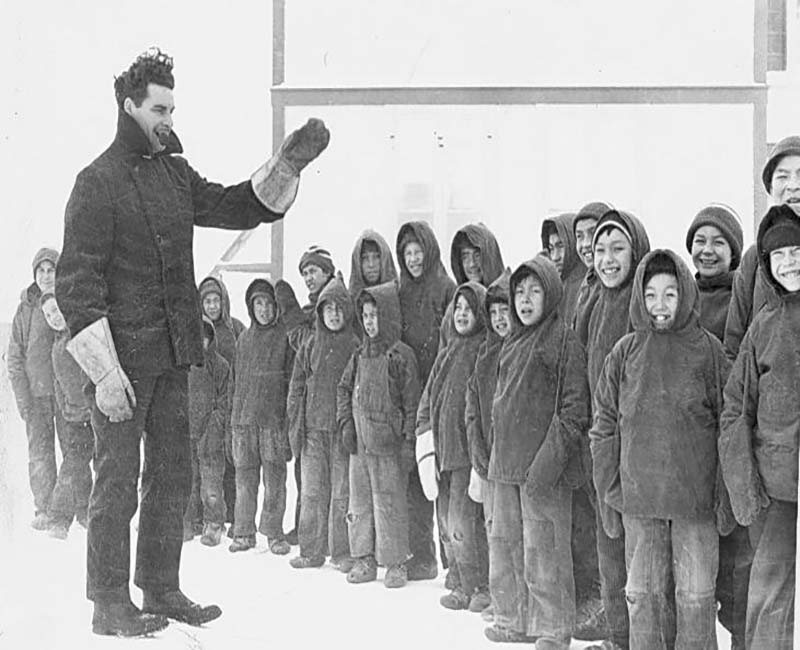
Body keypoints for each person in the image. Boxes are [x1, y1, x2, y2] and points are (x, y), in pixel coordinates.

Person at [56, 47, 328, 636]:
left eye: (173, 109)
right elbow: (76, 287)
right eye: (159, 109)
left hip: (176, 357)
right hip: (122, 369)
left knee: (172, 476)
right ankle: (108, 602)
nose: (169, 120)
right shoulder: (95, 182)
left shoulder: (175, 175)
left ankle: (159, 586)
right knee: (117, 482)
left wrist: (286, 167)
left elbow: (234, 205)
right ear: (129, 106)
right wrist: (104, 374)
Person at [591, 250, 729, 649]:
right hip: (640, 503)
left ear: (685, 294)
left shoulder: (709, 352)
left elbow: (729, 425)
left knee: (696, 598)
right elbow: (602, 427)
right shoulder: (625, 353)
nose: (660, 305)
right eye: (651, 295)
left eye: (670, 294)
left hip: (695, 505)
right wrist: (612, 491)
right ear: (640, 298)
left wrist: (722, 497)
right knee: (644, 597)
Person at [484, 256, 589, 647]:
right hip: (505, 466)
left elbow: (574, 409)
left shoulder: (563, 339)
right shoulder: (512, 341)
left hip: (543, 470)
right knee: (505, 547)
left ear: (552, 293)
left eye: (535, 291)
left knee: (545, 551)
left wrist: (548, 462)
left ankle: (552, 627)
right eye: (520, 292)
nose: (526, 300)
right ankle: (512, 618)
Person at [720, 203, 800, 649]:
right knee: (771, 597)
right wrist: (746, 485)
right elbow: (735, 411)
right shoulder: (762, 328)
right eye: (779, 256)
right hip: (777, 494)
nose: (789, 263)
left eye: (797, 251)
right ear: (767, 266)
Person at [582, 209, 651, 650]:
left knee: (637, 552)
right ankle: (618, 636)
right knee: (608, 542)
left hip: (634, 451)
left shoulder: (640, 306)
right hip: (599, 444)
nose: (607, 259)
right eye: (601, 250)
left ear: (636, 252)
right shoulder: (593, 301)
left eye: (618, 249)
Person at [337, 280, 420, 588]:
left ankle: (395, 562)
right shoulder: (358, 356)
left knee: (390, 505)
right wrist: (346, 424)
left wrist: (409, 443)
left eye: (376, 315)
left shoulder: (400, 356)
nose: (371, 322)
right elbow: (343, 389)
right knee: (359, 505)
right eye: (366, 316)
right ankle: (363, 557)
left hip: (388, 447)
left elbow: (413, 403)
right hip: (360, 446)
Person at [417, 282, 490, 612]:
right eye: (458, 308)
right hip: (442, 454)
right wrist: (424, 434)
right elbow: (428, 398)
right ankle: (458, 578)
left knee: (464, 524)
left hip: (465, 454)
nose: (462, 314)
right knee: (446, 523)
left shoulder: (482, 351)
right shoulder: (447, 351)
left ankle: (477, 583)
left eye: (470, 309)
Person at [395, 221, 456, 580]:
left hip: (438, 392)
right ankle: (423, 555)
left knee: (446, 480)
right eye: (408, 253)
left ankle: (455, 562)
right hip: (410, 393)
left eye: (419, 251)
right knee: (417, 481)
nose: (414, 258)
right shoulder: (401, 290)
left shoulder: (445, 288)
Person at [286, 273, 359, 570]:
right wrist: (296, 426)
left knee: (342, 493)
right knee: (312, 492)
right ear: (320, 312)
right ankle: (311, 550)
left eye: (339, 308)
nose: (334, 314)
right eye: (328, 309)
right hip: (313, 431)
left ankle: (341, 552)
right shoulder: (310, 344)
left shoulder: (355, 345)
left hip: (342, 432)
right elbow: (296, 386)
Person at [569, 201, 613, 643]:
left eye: (593, 238)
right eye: (580, 238)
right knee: (598, 523)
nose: (585, 247)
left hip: (610, 429)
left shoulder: (614, 291)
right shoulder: (587, 289)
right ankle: (606, 607)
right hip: (587, 427)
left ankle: (615, 617)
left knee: (613, 526)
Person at [229, 279, 292, 555]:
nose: (264, 309)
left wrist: (287, 421)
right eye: (258, 304)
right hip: (244, 422)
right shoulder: (243, 339)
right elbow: (234, 382)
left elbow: (291, 381)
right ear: (250, 307)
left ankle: (274, 532)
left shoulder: (285, 337)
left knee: (275, 479)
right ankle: (243, 531)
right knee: (244, 478)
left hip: (273, 422)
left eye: (268, 303)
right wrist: (234, 421)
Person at [724, 135, 800, 358]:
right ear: (770, 187)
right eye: (783, 177)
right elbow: (733, 346)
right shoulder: (753, 260)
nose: (793, 186)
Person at [465, 267, 511, 622]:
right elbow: (472, 407)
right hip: (489, 460)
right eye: (493, 313)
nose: (498, 319)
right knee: (494, 532)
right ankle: (499, 597)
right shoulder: (485, 354)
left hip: (513, 462)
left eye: (504, 312)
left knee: (513, 537)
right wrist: (477, 449)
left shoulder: (521, 350)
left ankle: (513, 602)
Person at [7, 247, 61, 530]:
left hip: (66, 394)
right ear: (34, 274)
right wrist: (23, 400)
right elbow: (14, 358)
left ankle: (77, 508)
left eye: (51, 270)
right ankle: (44, 508)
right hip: (37, 395)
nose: (46, 276)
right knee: (40, 454)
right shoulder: (25, 309)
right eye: (41, 271)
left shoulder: (69, 301)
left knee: (77, 451)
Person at [41, 293, 93, 540]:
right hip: (73, 416)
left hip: (93, 414)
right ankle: (71, 515)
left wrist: (91, 407)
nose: (54, 317)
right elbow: (57, 382)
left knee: (81, 464)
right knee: (75, 464)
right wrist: (65, 408)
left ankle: (71, 515)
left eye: (56, 310)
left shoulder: (79, 336)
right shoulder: (57, 345)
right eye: (48, 315)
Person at [198, 274, 244, 531]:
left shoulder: (236, 329)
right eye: (207, 301)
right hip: (208, 405)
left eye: (216, 300)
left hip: (232, 403)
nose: (212, 306)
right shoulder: (197, 333)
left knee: (231, 460)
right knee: (208, 463)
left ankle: (234, 516)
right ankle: (202, 516)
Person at [184, 317, 230, 547]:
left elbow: (224, 402)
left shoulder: (220, 366)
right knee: (187, 480)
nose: (199, 342)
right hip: (186, 431)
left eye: (203, 338)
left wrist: (213, 428)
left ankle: (214, 523)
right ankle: (189, 521)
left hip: (210, 435)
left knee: (211, 483)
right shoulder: (182, 365)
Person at [686, 204, 744, 342]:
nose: (707, 250)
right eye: (700, 241)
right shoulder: (683, 295)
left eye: (718, 243)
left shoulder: (741, 297)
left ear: (733, 253)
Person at [541, 212, 584, 322]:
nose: (555, 257)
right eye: (551, 249)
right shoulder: (555, 288)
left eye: (561, 246)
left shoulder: (586, 286)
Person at [347, 229, 398, 298]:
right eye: (365, 258)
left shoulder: (402, 299)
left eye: (376, 257)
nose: (371, 264)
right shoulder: (348, 305)